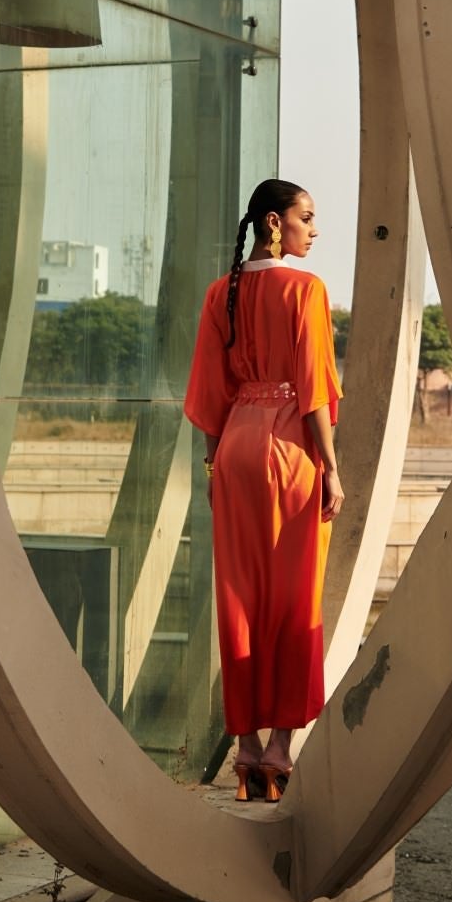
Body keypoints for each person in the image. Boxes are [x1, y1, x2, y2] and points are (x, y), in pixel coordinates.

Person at [184, 178, 344, 803]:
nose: (315, 230)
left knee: (240, 599)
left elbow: (209, 393)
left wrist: (213, 465)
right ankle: (278, 750)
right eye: (307, 217)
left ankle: (245, 751)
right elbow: (314, 391)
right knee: (294, 600)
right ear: (275, 222)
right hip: (290, 451)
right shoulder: (306, 290)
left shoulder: (219, 293)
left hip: (234, 451)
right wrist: (331, 468)